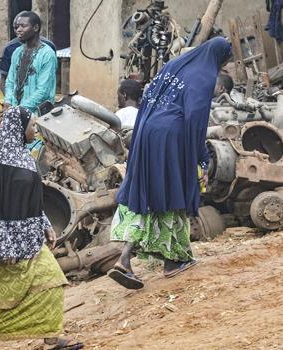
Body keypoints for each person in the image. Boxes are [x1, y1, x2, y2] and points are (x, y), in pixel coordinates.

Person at [0, 107, 83, 350]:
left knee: (51, 281)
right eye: (32, 125)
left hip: (30, 239)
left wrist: (45, 225)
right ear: (17, 128)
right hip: (3, 239)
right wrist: (1, 245)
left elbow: (31, 197)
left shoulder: (24, 156)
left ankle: (51, 341)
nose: (35, 130)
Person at [108, 37, 231, 290]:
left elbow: (147, 101)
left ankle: (166, 259)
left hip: (147, 132)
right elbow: (195, 120)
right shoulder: (204, 75)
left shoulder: (173, 66)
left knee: (151, 192)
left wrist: (141, 137)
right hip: (171, 137)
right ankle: (152, 260)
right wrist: (202, 157)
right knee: (172, 191)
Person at [4, 11, 57, 114]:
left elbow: (43, 91)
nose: (18, 30)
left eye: (23, 26)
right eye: (17, 26)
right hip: (15, 114)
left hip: (37, 115)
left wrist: (18, 110)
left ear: (36, 28)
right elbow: (10, 81)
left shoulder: (47, 54)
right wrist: (8, 102)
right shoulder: (17, 52)